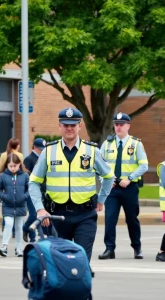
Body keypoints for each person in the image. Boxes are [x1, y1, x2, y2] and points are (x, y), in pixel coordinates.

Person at [29, 107, 114, 261]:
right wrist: (40, 208)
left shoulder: (91, 150)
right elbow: (33, 182)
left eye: (73, 125)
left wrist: (101, 200)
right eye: (66, 124)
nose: (69, 128)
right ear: (60, 126)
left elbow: (109, 176)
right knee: (60, 263)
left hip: (85, 215)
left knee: (82, 261)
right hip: (57, 216)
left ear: (80, 126)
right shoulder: (48, 151)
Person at [98, 112, 148, 260]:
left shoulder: (136, 144)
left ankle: (137, 248)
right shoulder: (107, 144)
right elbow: (98, 165)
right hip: (112, 188)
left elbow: (144, 165)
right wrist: (104, 179)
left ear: (128, 126)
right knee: (110, 218)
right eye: (116, 124)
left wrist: (130, 178)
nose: (118, 127)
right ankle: (109, 248)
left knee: (132, 218)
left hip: (129, 187)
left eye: (121, 124)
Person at [0, 153, 29, 257]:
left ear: (19, 164)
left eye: (15, 166)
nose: (13, 168)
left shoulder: (25, 175)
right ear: (7, 166)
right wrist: (4, 197)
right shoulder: (3, 176)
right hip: (7, 205)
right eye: (10, 166)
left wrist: (24, 196)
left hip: (21, 205)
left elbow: (30, 189)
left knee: (19, 227)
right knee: (8, 224)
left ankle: (19, 249)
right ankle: (4, 247)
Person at [22, 138, 47, 243]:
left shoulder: (44, 158)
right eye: (40, 149)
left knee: (42, 215)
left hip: (43, 191)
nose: (42, 151)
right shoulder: (29, 159)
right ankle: (26, 228)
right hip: (32, 191)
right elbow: (27, 176)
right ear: (35, 148)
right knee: (33, 214)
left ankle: (36, 237)